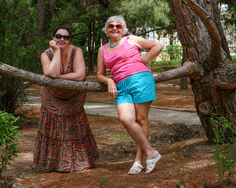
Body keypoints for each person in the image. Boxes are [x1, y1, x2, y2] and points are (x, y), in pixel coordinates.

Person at [96, 15, 163, 175]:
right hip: (121, 87)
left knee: (141, 119)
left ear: (123, 29)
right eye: (111, 25)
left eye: (118, 26)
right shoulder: (102, 49)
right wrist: (109, 81)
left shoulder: (131, 39)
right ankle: (151, 153)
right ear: (106, 29)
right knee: (126, 119)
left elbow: (157, 46)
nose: (114, 28)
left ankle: (139, 161)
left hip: (141, 80)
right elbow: (99, 74)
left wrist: (144, 60)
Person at [33, 26, 99, 173]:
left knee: (74, 128)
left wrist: (57, 78)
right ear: (53, 38)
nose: (62, 39)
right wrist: (56, 52)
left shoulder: (76, 51)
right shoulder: (46, 54)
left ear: (69, 40)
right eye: (58, 36)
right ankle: (54, 163)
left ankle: (79, 162)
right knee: (55, 129)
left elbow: (80, 75)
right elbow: (49, 72)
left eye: (66, 37)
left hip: (74, 97)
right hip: (52, 98)